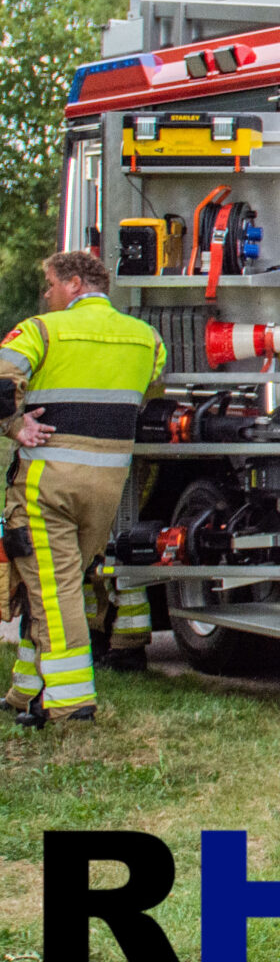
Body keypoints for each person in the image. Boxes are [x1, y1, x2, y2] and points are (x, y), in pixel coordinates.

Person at [2, 251, 167, 728]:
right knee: (54, 586)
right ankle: (25, 692)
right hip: (106, 487)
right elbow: (150, 390)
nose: (46, 294)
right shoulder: (146, 339)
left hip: (46, 484)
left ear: (74, 283)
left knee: (53, 592)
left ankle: (72, 705)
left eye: (50, 284)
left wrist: (14, 426)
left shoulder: (41, 330)